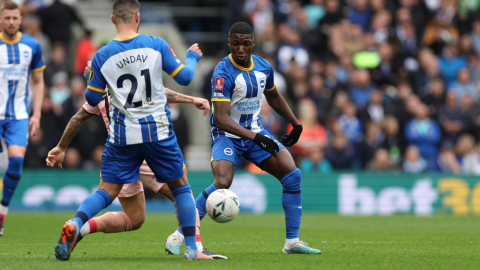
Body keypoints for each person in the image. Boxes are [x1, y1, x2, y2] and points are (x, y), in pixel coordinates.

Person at [50, 0, 211, 261]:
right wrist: (192, 57)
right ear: (137, 17)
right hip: (157, 132)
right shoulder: (156, 44)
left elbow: (91, 101)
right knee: (180, 188)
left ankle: (76, 223)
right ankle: (192, 250)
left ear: (113, 20)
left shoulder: (102, 55)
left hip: (123, 136)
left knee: (105, 192)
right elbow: (185, 77)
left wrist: (97, 77)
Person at [165, 22, 321, 255]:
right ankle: (179, 234)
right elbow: (221, 119)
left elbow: (274, 95)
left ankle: (292, 242)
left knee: (292, 175)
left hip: (254, 133)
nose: (240, 48)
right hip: (227, 135)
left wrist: (295, 122)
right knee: (222, 182)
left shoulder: (264, 67)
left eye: (245, 44)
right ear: (229, 43)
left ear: (252, 43)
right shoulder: (222, 72)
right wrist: (257, 138)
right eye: (236, 43)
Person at [46, 62, 226, 259]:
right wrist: (191, 98)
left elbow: (77, 118)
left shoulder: (98, 95)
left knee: (134, 217)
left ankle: (78, 227)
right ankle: (195, 247)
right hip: (147, 147)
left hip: (119, 151)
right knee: (182, 192)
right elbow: (160, 91)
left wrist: (61, 146)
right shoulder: (127, 79)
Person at [0, 1, 45, 237]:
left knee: (16, 162)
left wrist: (36, 114)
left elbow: (38, 82)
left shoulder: (32, 46)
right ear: (1, 19)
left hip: (18, 116)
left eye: (14, 18)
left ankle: (2, 211)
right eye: (6, 18)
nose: (11, 22)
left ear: (21, 19)